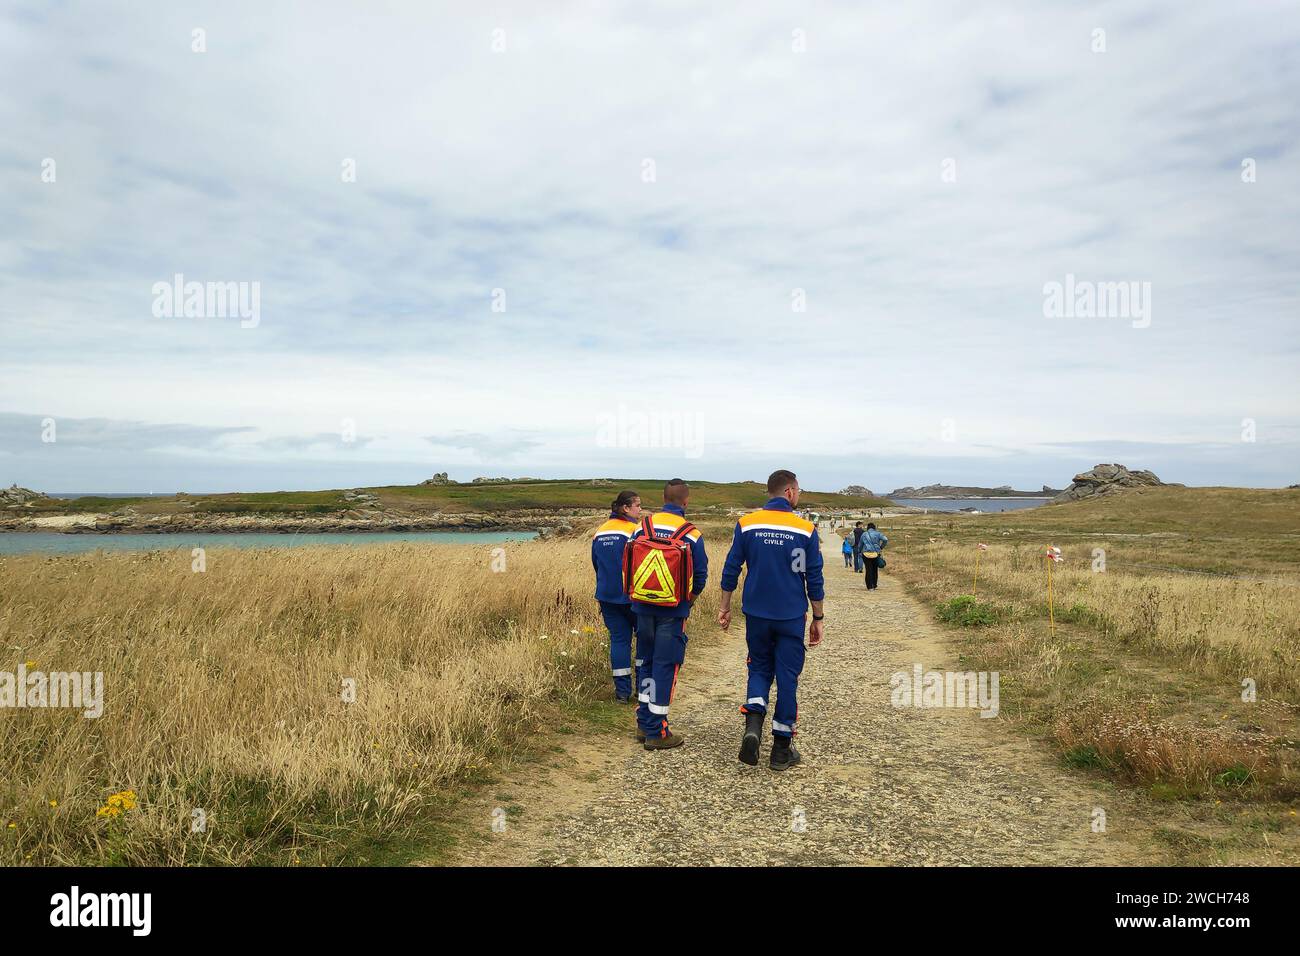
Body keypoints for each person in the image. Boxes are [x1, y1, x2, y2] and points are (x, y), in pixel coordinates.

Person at [718, 470, 825, 771]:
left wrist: (725, 606)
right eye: (799, 491)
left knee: (759, 666)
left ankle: (753, 725)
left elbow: (732, 568)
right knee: (787, 677)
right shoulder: (804, 529)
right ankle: (780, 748)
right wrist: (818, 617)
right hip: (790, 614)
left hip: (757, 613)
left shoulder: (747, 524)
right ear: (790, 492)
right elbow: (811, 577)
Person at [628, 479, 708, 750]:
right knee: (666, 665)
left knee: (646, 663)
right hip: (672, 610)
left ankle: (643, 720)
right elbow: (700, 577)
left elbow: (625, 563)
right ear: (686, 502)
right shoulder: (691, 533)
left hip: (641, 606)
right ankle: (657, 731)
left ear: (662, 498)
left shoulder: (642, 526)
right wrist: (689, 601)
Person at [590, 490, 643, 702]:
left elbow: (596, 564)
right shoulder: (635, 531)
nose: (640, 510)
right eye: (637, 506)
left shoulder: (600, 532)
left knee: (619, 641)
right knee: (644, 641)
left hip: (607, 595)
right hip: (633, 595)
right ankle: (642, 689)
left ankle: (622, 693)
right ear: (625, 508)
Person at [860, 521, 888, 590]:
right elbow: (885, 539)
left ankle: (869, 586)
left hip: (866, 554)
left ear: (867, 528)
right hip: (875, 554)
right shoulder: (878, 533)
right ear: (874, 528)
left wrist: (859, 552)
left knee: (868, 570)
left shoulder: (864, 534)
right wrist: (881, 547)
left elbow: (860, 544)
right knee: (874, 570)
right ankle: (874, 584)